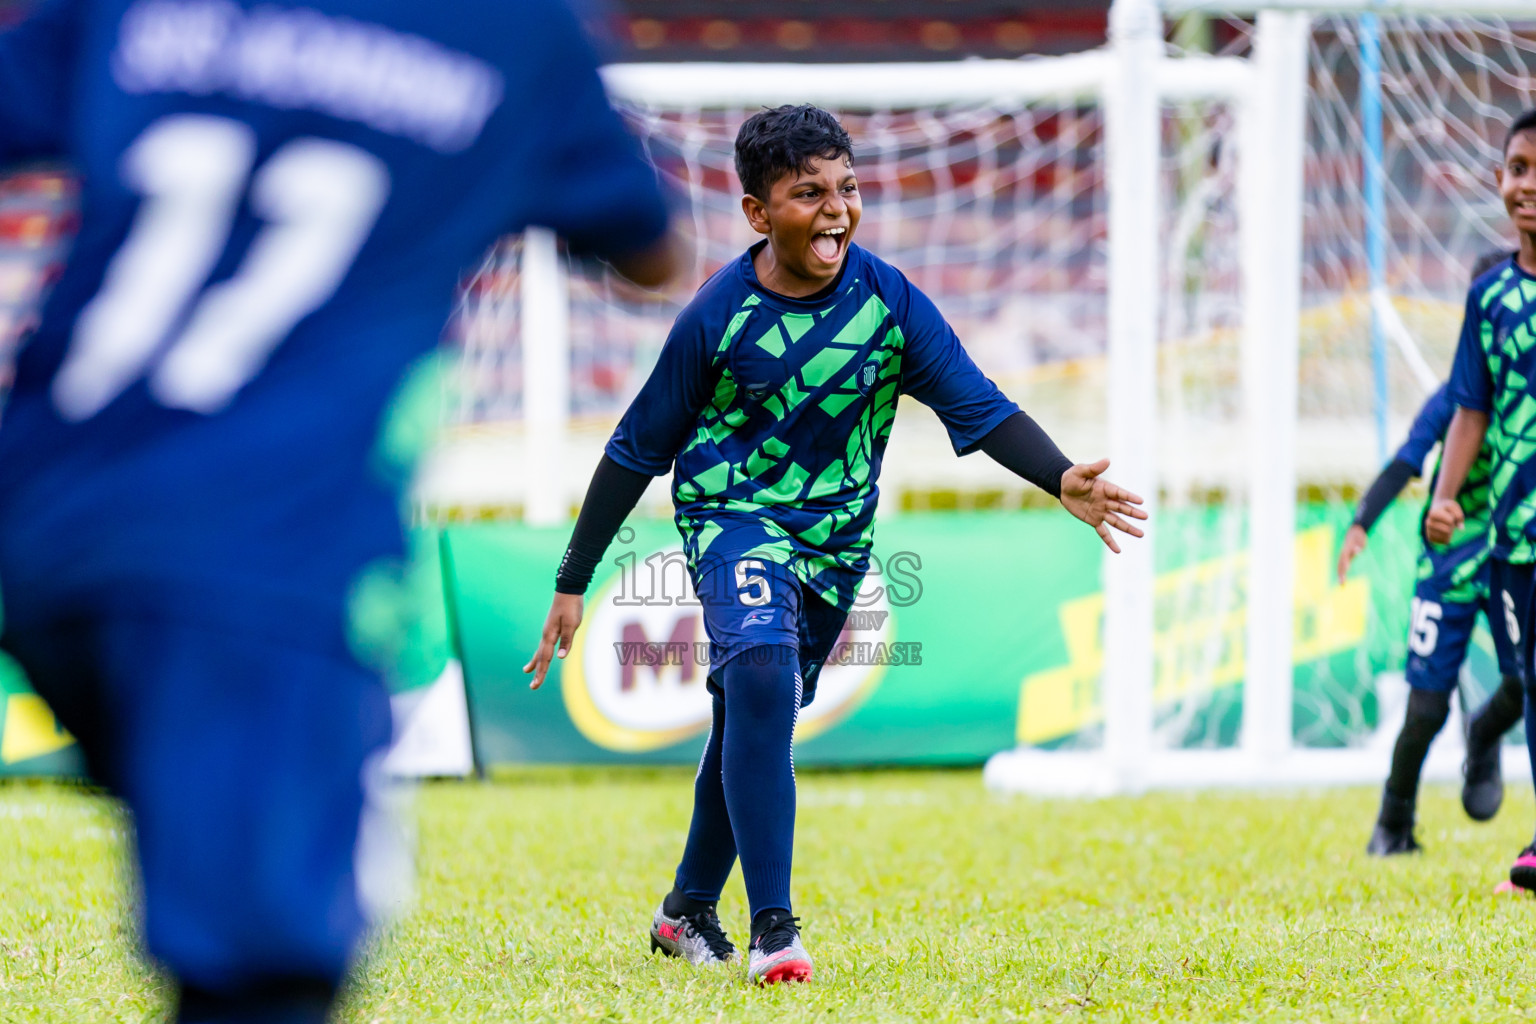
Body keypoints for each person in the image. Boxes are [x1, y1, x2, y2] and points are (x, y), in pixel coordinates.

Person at [0, 1, 678, 1020]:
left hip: (45, 522)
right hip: (263, 555)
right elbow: (651, 248)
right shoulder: (508, 32)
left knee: (217, 871)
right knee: (269, 973)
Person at [523, 104, 1147, 985]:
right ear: (757, 213)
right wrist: (572, 578)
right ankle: (774, 931)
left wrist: (1059, 478)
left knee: (756, 712)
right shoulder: (716, 316)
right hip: (732, 516)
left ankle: (684, 912)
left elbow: (978, 405)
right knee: (762, 675)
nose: (835, 212)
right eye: (807, 193)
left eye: (846, 189)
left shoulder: (887, 301)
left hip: (836, 546)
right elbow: (635, 449)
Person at [1338, 319, 1523, 857]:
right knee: (1425, 707)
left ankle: (1484, 732)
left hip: (1518, 552)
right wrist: (1361, 522)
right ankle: (1393, 825)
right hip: (1450, 559)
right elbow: (1407, 459)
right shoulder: (1455, 398)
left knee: (1525, 681)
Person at [1426, 107, 1536, 892]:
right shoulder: (1491, 295)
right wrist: (1444, 497)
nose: (1525, 186)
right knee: (1531, 684)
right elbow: (1470, 408)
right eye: (1517, 168)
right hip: (1515, 542)